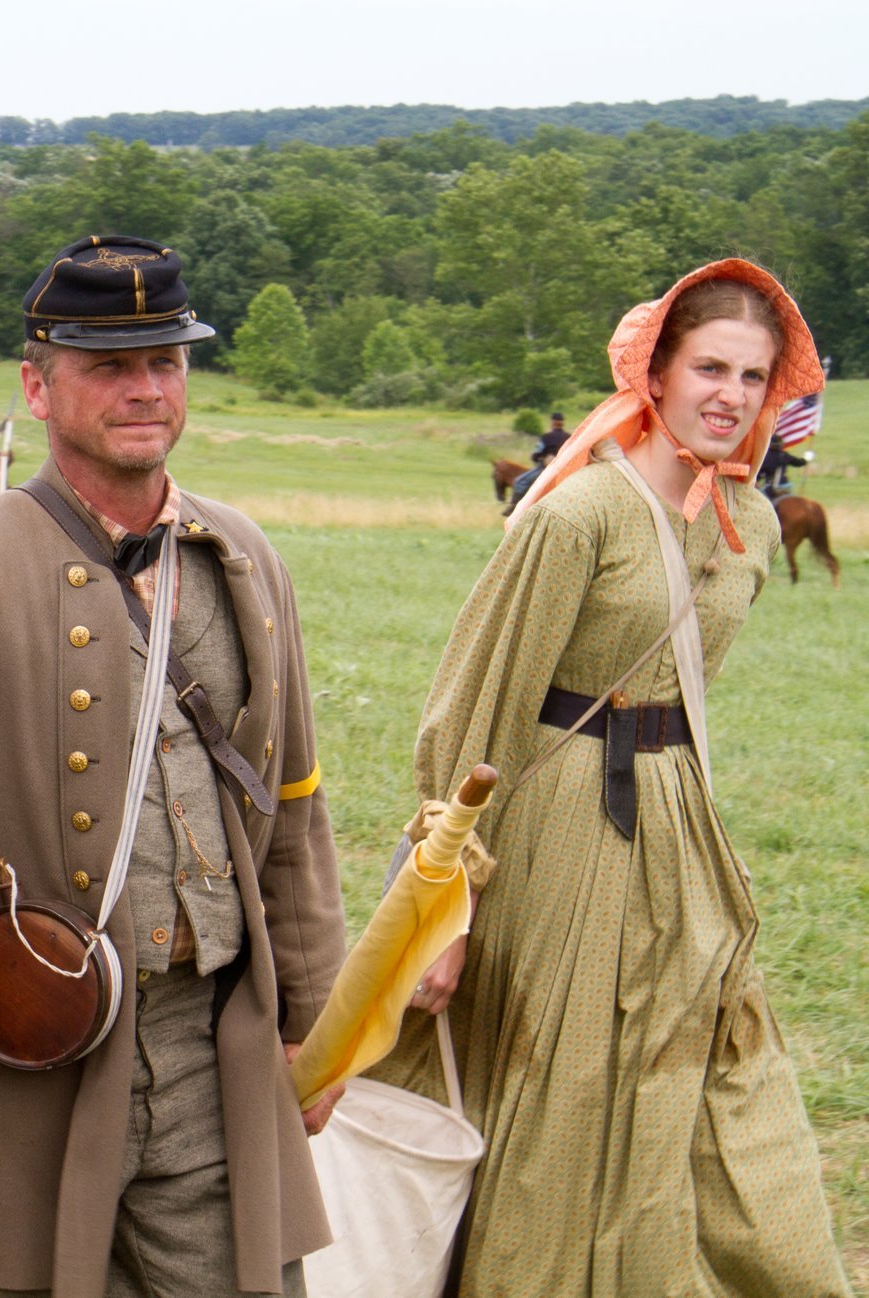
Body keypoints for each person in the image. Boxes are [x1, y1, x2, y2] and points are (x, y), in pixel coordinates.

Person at [0, 235, 347, 1298]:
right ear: (38, 383)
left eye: (167, 361)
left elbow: (292, 807)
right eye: (110, 365)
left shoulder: (242, 558)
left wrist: (314, 1010)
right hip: (26, 1042)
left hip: (212, 1044)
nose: (146, 388)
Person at [377, 260, 851, 1296]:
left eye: (751, 374)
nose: (729, 393)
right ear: (658, 371)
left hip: (677, 818)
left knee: (713, 1062)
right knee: (565, 1082)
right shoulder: (575, 513)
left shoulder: (756, 524)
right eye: (709, 367)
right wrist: (444, 902)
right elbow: (473, 706)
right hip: (557, 818)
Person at [501, 410, 569, 515]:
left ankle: (513, 508)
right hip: (566, 469)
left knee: (519, 482)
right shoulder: (569, 437)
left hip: (546, 469)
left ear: (552, 422)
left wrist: (538, 459)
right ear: (562, 423)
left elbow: (535, 455)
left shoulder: (547, 437)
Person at [757, 431, 807, 500]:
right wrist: (806, 459)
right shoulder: (784, 455)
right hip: (785, 486)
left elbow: (759, 474)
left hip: (770, 487)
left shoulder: (765, 457)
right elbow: (799, 463)